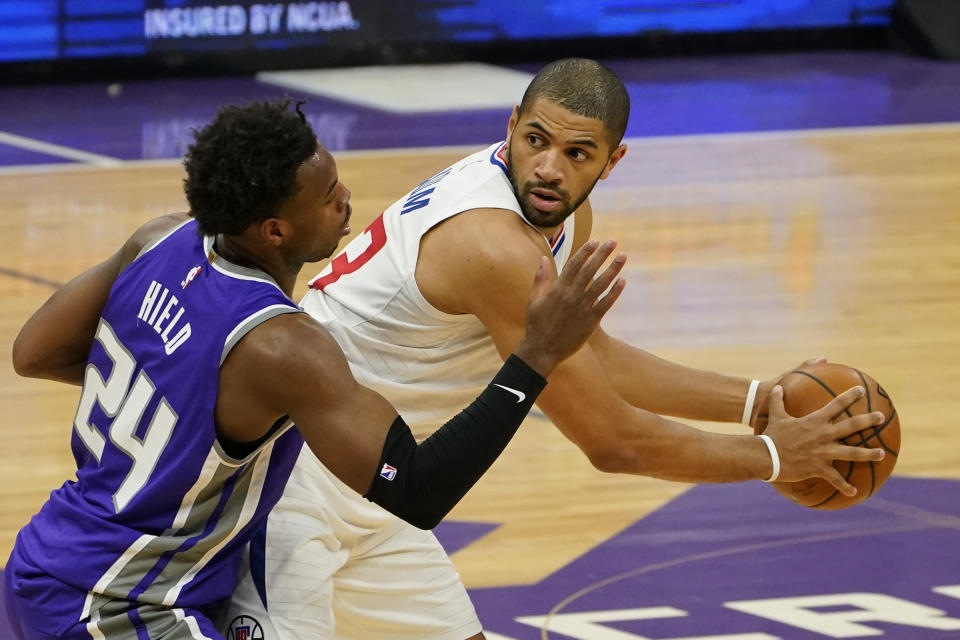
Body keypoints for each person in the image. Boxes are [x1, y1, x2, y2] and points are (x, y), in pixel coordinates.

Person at [222, 59, 887, 639]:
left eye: (577, 153)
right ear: (512, 125)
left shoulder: (560, 217)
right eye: (536, 140)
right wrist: (772, 456)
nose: (548, 168)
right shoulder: (495, 245)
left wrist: (757, 400)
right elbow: (611, 442)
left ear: (611, 160)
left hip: (381, 481)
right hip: (293, 481)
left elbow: (594, 357)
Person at [3, 98, 627, 640]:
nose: (346, 200)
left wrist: (183, 395)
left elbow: (35, 352)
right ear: (275, 230)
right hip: (120, 605)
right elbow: (416, 490)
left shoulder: (159, 240)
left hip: (44, 563)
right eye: (328, 198)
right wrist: (534, 357)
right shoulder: (284, 345)